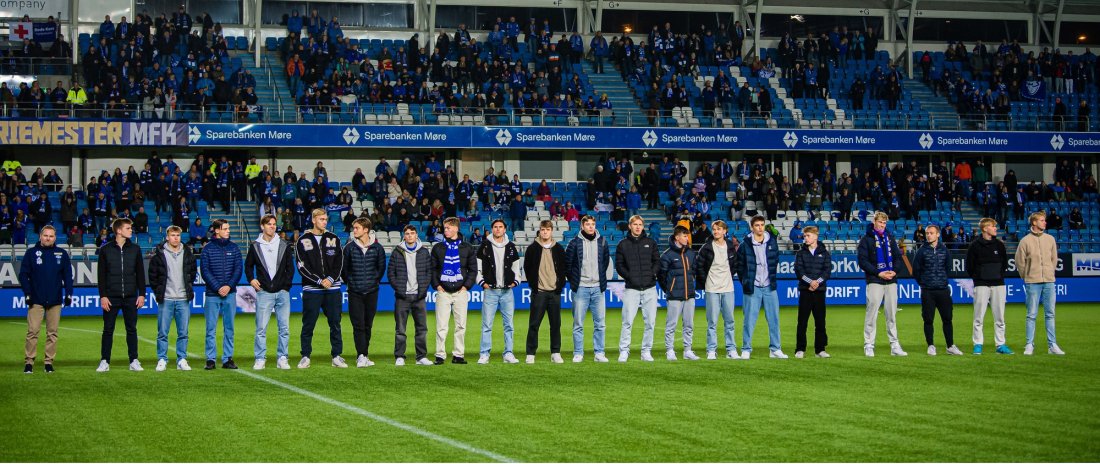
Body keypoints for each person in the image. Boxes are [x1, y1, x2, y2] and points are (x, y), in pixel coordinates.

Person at [295, 208, 347, 368]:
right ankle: (305, 356)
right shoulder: (302, 240)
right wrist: (319, 281)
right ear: (313, 220)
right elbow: (301, 266)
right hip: (312, 289)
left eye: (325, 219)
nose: (324, 222)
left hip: (333, 289)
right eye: (321, 219)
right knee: (308, 324)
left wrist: (331, 279)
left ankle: (337, 356)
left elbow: (339, 261)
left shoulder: (333, 238)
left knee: (335, 323)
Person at [18, 225, 73, 373]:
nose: (48, 238)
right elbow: (23, 275)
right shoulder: (31, 253)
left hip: (55, 300)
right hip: (36, 299)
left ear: (55, 238)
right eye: (45, 235)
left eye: (51, 236)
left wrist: (69, 294)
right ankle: (29, 362)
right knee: (32, 331)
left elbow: (68, 276)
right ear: (40, 237)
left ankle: (48, 363)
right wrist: (28, 293)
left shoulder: (61, 253)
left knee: (52, 333)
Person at [245, 215, 296, 370]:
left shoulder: (283, 244)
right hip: (264, 293)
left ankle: (282, 358)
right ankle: (260, 358)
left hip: (282, 292)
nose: (272, 227)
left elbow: (290, 268)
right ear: (262, 226)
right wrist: (251, 280)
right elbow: (248, 266)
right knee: (261, 328)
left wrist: (286, 286)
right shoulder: (255, 246)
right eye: (269, 224)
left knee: (284, 328)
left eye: (274, 224)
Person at [96, 218, 146, 372]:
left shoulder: (136, 249)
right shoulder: (105, 250)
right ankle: (105, 361)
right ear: (118, 230)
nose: (131, 230)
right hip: (111, 297)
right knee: (108, 329)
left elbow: (140, 274)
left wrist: (142, 294)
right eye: (128, 228)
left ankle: (134, 360)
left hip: (131, 296)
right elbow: (101, 275)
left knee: (132, 329)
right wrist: (103, 296)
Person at [857, 212, 907, 357]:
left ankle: (894, 345)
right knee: (871, 313)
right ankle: (869, 344)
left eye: (884, 223)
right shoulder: (866, 240)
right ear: (874, 222)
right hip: (875, 280)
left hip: (891, 280)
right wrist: (878, 272)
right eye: (880, 222)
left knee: (891, 314)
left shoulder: (889, 238)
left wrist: (894, 271)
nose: (882, 225)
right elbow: (862, 261)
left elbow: (898, 258)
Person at [736, 215, 787, 359]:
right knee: (749, 320)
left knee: (774, 319)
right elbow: (740, 266)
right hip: (753, 287)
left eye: (762, 225)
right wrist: (746, 282)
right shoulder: (745, 244)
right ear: (752, 227)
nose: (760, 227)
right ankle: (746, 348)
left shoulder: (772, 242)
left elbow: (774, 261)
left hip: (770, 286)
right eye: (757, 225)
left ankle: (775, 349)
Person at [1015, 211, 1064, 356]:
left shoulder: (1050, 239)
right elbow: (1019, 262)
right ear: (1034, 222)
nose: (1045, 222)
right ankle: (1029, 344)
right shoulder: (1025, 241)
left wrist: (1050, 272)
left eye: (1044, 220)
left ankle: (1052, 345)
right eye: (1042, 220)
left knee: (1050, 314)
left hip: (1049, 281)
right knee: (1031, 315)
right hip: (1032, 282)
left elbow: (1054, 259)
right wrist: (1027, 276)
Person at [148, 225, 196, 372]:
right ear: (167, 237)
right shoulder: (159, 255)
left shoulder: (188, 254)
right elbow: (153, 276)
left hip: (183, 298)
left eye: (178, 235)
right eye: (173, 235)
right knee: (162, 332)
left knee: (183, 333)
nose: (176, 238)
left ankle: (181, 359)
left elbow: (192, 273)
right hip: (166, 299)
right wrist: (159, 292)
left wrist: (187, 288)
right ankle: (162, 359)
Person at [431, 217, 477, 365]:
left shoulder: (468, 247)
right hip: (443, 292)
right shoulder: (438, 248)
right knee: (441, 326)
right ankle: (440, 355)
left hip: (461, 292)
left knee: (461, 325)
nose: (446, 230)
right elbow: (432, 269)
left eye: (448, 228)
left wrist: (466, 287)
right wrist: (437, 286)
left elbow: (473, 270)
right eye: (445, 228)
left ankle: (458, 355)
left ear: (456, 228)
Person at [342, 217, 386, 368]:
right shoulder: (349, 248)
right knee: (358, 325)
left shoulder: (377, 248)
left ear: (366, 230)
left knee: (368, 325)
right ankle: (360, 355)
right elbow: (345, 270)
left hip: (372, 291)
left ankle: (365, 355)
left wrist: (373, 281)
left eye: (357, 228)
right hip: (354, 292)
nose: (354, 230)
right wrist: (352, 282)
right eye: (354, 228)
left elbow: (380, 269)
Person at [565, 215, 610, 363]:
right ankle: (578, 353)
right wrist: (575, 282)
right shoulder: (574, 243)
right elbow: (568, 265)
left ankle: (599, 353)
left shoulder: (602, 242)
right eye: (588, 224)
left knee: (600, 324)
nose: (591, 227)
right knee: (578, 323)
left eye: (593, 224)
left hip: (598, 288)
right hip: (581, 288)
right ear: (582, 226)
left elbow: (605, 262)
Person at [912, 225, 962, 356]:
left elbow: (948, 268)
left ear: (938, 235)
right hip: (928, 291)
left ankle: (950, 346)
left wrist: (942, 280)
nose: (928, 235)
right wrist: (923, 283)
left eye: (931, 233)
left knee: (947, 319)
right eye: (927, 233)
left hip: (943, 290)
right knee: (928, 320)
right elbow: (916, 271)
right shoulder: (921, 251)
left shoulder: (945, 250)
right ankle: (931, 346)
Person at [616, 215, 660, 362]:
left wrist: (652, 274)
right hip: (631, 289)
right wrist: (630, 277)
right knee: (627, 321)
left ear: (643, 226)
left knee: (650, 323)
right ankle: (624, 351)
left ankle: (646, 351)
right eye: (635, 224)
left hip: (650, 289)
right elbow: (619, 265)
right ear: (630, 226)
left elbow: (657, 262)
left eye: (640, 224)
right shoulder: (623, 244)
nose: (638, 227)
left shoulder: (651, 243)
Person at [476, 219, 521, 364]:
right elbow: (478, 268)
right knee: (487, 324)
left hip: (507, 291)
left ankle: (508, 353)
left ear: (505, 229)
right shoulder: (484, 246)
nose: (498, 229)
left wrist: (516, 282)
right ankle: (484, 354)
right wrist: (482, 283)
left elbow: (516, 268)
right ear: (492, 229)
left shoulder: (511, 247)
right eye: (495, 227)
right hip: (491, 291)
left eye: (500, 227)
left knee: (509, 325)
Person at [966, 218, 1013, 355]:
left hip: (998, 284)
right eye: (993, 226)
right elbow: (970, 266)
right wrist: (979, 277)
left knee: (1000, 317)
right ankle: (978, 344)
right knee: (978, 316)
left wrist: (998, 275)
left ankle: (1000, 344)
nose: (995, 229)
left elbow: (1004, 264)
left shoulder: (999, 245)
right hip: (981, 285)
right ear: (985, 228)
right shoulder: (974, 245)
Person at [200, 219, 243, 370]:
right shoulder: (207, 249)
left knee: (229, 328)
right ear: (217, 230)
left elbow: (238, 269)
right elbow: (205, 271)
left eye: (228, 228)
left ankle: (227, 358)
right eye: (225, 228)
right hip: (213, 294)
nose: (228, 231)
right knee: (210, 328)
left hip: (230, 294)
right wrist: (218, 287)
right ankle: (210, 359)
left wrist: (228, 286)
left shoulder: (234, 248)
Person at [389, 225, 434, 366]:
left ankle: (421, 357)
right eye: (407, 234)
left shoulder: (424, 252)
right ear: (404, 236)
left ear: (416, 235)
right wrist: (400, 290)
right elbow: (391, 273)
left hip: (419, 297)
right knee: (400, 329)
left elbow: (428, 272)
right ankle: (400, 356)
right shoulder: (397, 252)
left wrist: (423, 290)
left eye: (412, 233)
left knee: (422, 328)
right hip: (402, 297)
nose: (409, 236)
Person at [523, 220, 567, 363]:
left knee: (555, 324)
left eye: (547, 229)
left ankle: (555, 352)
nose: (545, 232)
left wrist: (559, 287)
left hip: (554, 293)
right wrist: (534, 286)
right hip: (539, 292)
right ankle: (530, 353)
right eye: (542, 229)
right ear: (539, 231)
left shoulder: (559, 249)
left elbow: (563, 269)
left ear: (551, 231)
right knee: (534, 324)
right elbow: (527, 268)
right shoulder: (532, 249)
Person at [696, 220, 739, 360]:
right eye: (714, 229)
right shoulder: (706, 247)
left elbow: (734, 265)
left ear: (725, 231)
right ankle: (711, 350)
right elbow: (699, 267)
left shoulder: (731, 246)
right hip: (712, 289)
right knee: (712, 322)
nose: (716, 231)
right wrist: (706, 281)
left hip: (728, 288)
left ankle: (731, 349)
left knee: (730, 321)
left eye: (719, 229)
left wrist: (728, 277)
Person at [658, 225, 699, 361]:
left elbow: (694, 271)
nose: (687, 238)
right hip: (674, 296)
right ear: (677, 237)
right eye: (684, 236)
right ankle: (669, 350)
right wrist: (669, 289)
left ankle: (687, 350)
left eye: (687, 236)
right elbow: (661, 276)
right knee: (671, 324)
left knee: (689, 324)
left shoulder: (691, 253)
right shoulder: (667, 255)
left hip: (690, 295)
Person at [793, 226, 830, 359]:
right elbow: (799, 271)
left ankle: (820, 349)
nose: (806, 238)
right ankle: (800, 348)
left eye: (808, 236)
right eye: (805, 236)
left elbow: (827, 271)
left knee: (820, 322)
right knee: (802, 321)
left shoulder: (825, 253)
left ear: (815, 236)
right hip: (805, 291)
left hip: (819, 292)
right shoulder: (801, 253)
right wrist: (810, 282)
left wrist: (817, 282)